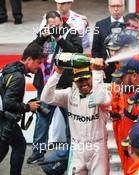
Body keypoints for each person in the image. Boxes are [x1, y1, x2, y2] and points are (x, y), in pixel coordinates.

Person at [27, 10, 83, 164]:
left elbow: (78, 52)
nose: (52, 28)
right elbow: (28, 52)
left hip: (65, 86)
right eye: (50, 26)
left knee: (71, 121)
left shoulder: (71, 32)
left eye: (56, 25)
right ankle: (38, 152)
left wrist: (59, 39)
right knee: (42, 120)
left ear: (61, 21)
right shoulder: (43, 34)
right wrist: (41, 37)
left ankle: (72, 151)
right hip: (45, 86)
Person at [40, 58, 112, 175]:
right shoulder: (69, 94)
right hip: (77, 148)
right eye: (79, 80)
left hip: (98, 148)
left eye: (86, 79)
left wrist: (97, 72)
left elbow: (99, 99)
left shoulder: (104, 93)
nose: (83, 83)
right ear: (74, 81)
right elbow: (46, 97)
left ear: (92, 77)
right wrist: (57, 73)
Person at [0, 43, 44, 175]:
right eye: (38, 62)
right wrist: (27, 107)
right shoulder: (18, 77)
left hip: (4, 117)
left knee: (9, 147)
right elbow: (9, 103)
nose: (40, 66)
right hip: (5, 118)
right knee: (17, 146)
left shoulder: (10, 67)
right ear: (29, 59)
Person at [92, 0, 125, 83]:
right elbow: (95, 50)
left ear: (123, 7)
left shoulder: (130, 24)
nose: (116, 9)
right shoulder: (100, 25)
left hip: (126, 71)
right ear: (109, 7)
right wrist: (100, 68)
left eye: (118, 6)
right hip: (106, 71)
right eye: (113, 6)